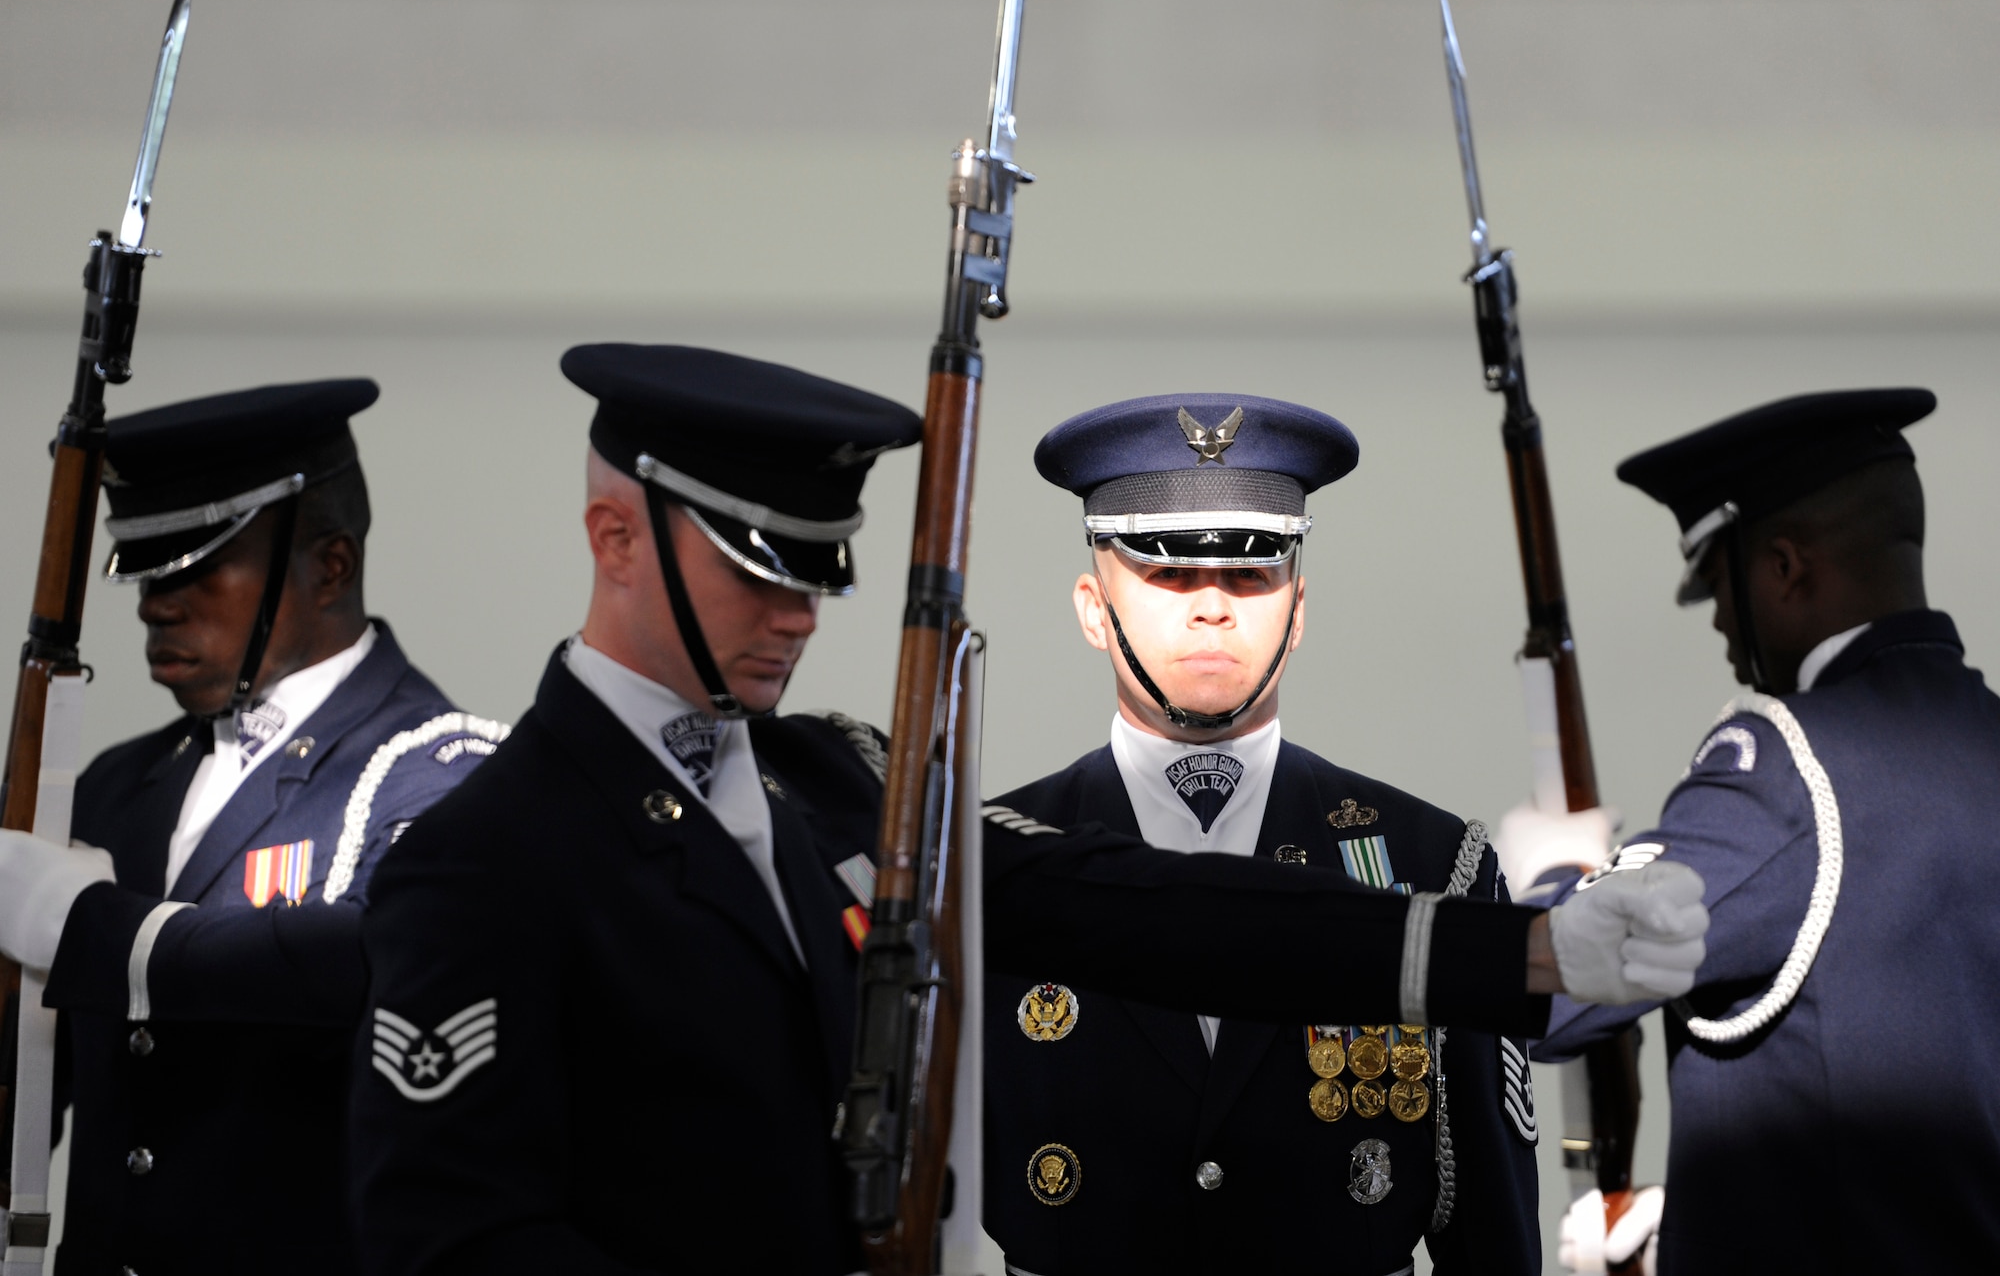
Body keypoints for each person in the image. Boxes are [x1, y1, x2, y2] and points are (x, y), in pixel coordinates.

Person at [348, 344, 1708, 1275]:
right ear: (617, 538)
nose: (797, 614)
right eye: (757, 569)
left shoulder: (825, 785)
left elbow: (1150, 909)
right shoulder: (490, 857)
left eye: (819, 573)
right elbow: (450, 1243)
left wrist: (1523, 955)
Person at [981, 393, 1545, 1275]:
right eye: (1167, 573)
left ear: (1299, 606)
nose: (1214, 606)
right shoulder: (990, 867)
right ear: (1094, 609)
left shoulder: (1432, 863)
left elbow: (1490, 1237)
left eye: (1251, 574)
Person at [0, 380, 504, 1276]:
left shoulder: (440, 767)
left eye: (197, 565)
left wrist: (97, 929)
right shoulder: (117, 784)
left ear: (331, 565)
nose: (158, 602)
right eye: (149, 569)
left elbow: (379, 957)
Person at [1501, 389, 2000, 1274]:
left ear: (1783, 567)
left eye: (1721, 587)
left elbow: (1556, 994)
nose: (1725, 624)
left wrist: (1547, 875)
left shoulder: (1788, 768)